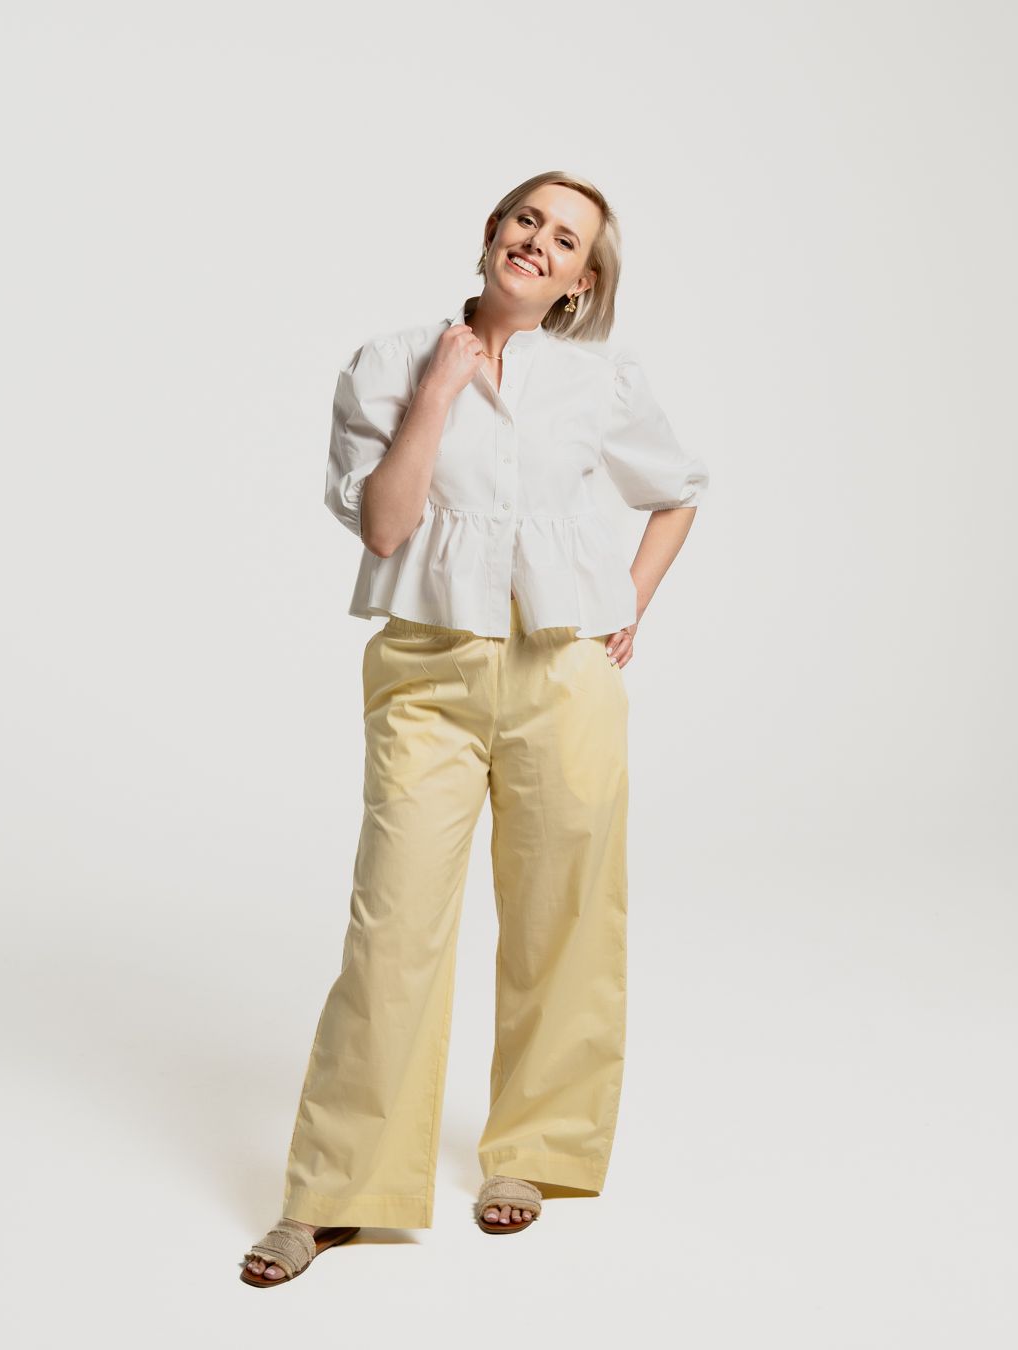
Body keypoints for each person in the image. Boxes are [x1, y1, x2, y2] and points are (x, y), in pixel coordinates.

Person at [241, 171, 708, 1287]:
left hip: (565, 672)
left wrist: (628, 605)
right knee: (392, 927)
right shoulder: (392, 361)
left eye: (566, 239)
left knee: (565, 918)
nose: (539, 242)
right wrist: (441, 391)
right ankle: (339, 1191)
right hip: (428, 674)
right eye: (527, 220)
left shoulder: (601, 380)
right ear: (493, 232)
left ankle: (536, 1153)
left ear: (581, 280)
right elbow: (385, 523)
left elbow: (679, 490)